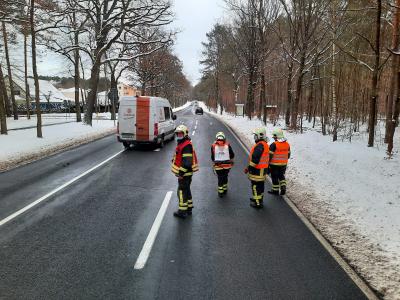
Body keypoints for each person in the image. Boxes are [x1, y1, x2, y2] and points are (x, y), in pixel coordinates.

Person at [171, 125, 199, 218]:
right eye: (177, 134)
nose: (179, 135)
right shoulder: (183, 143)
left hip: (185, 173)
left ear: (185, 134)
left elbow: (187, 162)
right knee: (187, 189)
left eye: (180, 134)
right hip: (186, 173)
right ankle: (189, 208)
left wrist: (181, 174)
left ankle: (182, 211)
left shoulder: (186, 145)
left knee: (181, 191)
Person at [244, 128, 269, 208]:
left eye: (255, 135)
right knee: (260, 186)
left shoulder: (260, 145)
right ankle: (259, 199)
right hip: (262, 170)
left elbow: (255, 159)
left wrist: (249, 168)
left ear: (260, 136)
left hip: (257, 170)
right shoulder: (264, 144)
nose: (255, 137)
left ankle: (257, 203)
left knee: (255, 186)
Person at [211, 132, 235, 197]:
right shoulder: (227, 145)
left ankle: (220, 192)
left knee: (220, 178)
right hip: (227, 166)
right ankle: (225, 189)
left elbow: (212, 157)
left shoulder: (213, 146)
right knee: (225, 176)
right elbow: (232, 155)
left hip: (218, 166)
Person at [268, 128, 290, 195]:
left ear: (276, 136)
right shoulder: (287, 144)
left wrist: (267, 163)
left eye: (274, 136)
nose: (274, 138)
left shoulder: (273, 145)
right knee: (281, 176)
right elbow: (288, 155)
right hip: (283, 164)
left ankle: (275, 190)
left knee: (274, 177)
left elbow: (270, 156)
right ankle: (283, 187)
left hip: (274, 164)